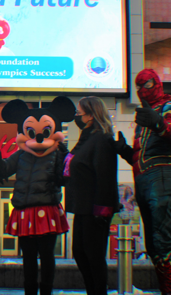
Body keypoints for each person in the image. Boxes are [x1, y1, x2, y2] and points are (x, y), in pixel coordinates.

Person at [0, 97, 75, 295]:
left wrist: (64, 156)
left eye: (45, 132)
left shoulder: (56, 154)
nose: (38, 137)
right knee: (28, 257)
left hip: (46, 209)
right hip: (24, 211)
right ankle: (30, 291)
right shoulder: (20, 155)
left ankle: (46, 291)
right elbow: (3, 170)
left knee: (46, 256)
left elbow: (63, 180)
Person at [113, 69, 171, 295]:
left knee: (165, 241)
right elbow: (142, 154)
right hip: (145, 180)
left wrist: (160, 124)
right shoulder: (146, 115)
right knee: (154, 245)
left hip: (162, 177)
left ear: (157, 83)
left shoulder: (169, 108)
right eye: (139, 85)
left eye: (148, 84)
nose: (143, 89)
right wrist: (125, 150)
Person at [63, 97, 119, 295]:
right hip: (81, 206)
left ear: (91, 114)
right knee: (80, 252)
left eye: (79, 113)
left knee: (93, 256)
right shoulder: (86, 137)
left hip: (95, 210)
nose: (77, 116)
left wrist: (102, 210)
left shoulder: (101, 138)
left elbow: (105, 175)